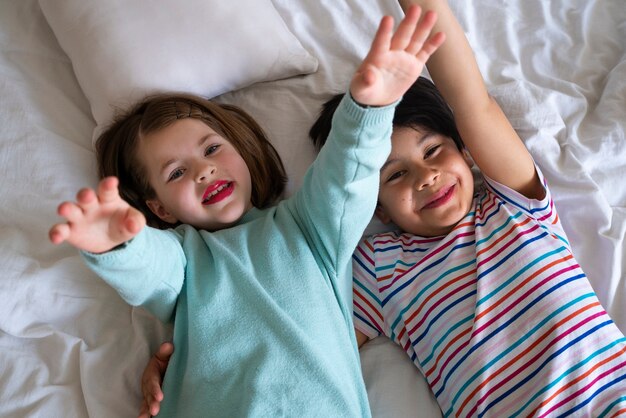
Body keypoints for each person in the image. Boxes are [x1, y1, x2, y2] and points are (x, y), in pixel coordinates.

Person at [142, 0, 626, 416]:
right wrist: (191, 365)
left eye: (435, 151)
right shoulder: (376, 269)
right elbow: (298, 331)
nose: (426, 176)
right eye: (395, 175)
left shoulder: (513, 204)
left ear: (467, 153)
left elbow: (471, 102)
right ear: (377, 208)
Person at [49, 6, 445, 418]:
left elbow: (345, 173)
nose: (204, 171)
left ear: (242, 150)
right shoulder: (183, 260)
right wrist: (118, 243)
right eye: (177, 172)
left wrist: (368, 109)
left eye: (212, 149)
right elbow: (148, 266)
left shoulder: (306, 226)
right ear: (159, 208)